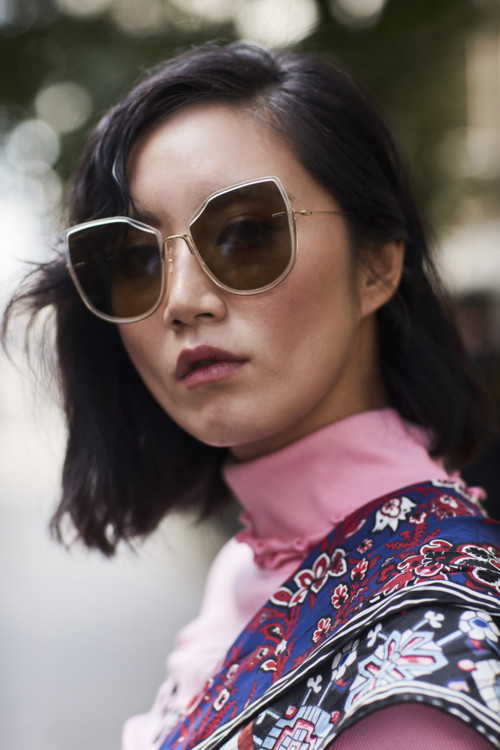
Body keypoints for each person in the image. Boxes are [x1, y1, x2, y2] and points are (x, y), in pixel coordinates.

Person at [4, 41, 500, 750]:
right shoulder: (247, 564)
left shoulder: (430, 660)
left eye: (244, 235)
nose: (182, 300)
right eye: (137, 260)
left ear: (375, 266)